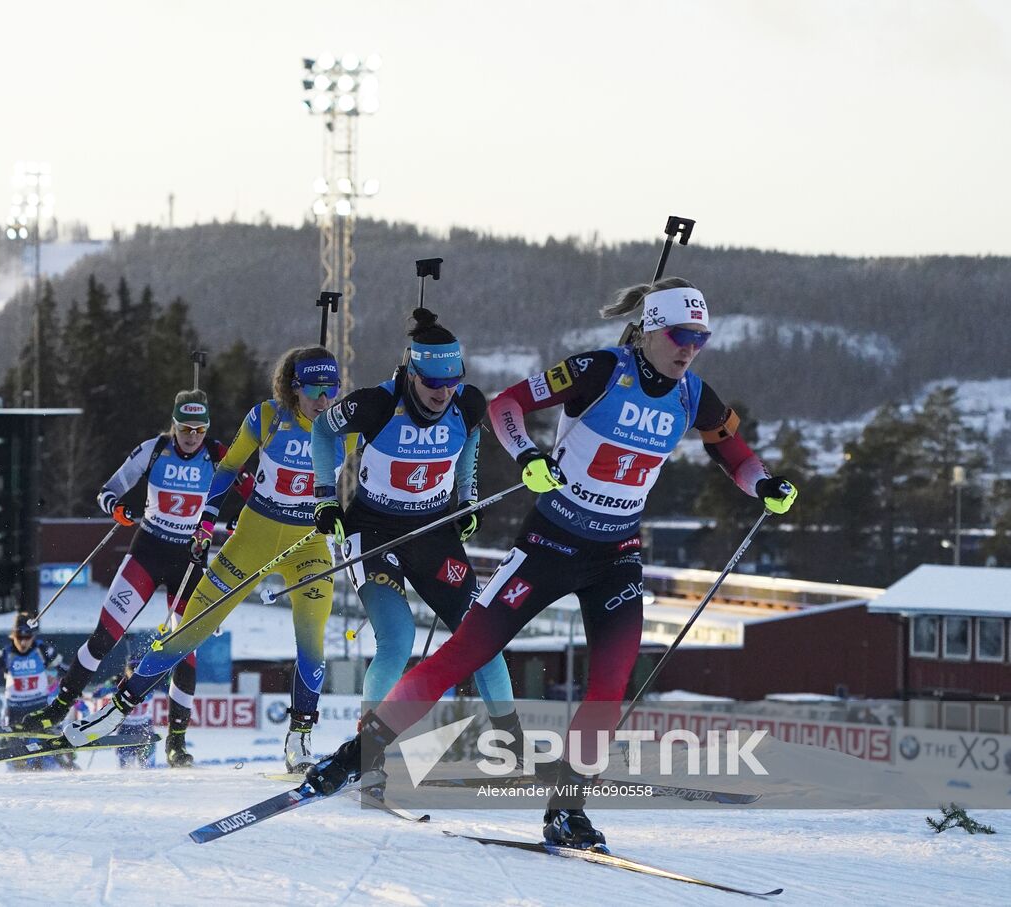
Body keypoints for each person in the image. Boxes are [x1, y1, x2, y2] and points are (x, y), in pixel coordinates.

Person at [306, 278, 799, 849]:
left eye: (700, 338)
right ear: (650, 329)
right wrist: (528, 457)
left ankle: (568, 809)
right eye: (679, 335)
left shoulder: (695, 395)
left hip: (616, 555)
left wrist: (764, 484)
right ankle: (357, 753)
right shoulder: (598, 369)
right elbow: (505, 404)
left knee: (610, 684)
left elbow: (731, 450)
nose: (690, 348)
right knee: (466, 649)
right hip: (551, 544)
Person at [59, 347, 356, 773]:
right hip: (253, 537)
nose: (324, 399)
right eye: (314, 389)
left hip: (308, 544)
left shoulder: (346, 427)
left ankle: (300, 737)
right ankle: (118, 709)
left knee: (312, 640)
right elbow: (228, 468)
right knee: (188, 632)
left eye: (332, 389)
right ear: (294, 388)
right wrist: (205, 522)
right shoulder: (267, 418)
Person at [311, 308, 520, 742]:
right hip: (372, 531)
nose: (444, 393)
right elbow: (321, 430)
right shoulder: (376, 403)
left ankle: (514, 744)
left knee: (481, 635)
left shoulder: (467, 402)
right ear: (411, 373)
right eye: (433, 382)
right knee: (397, 640)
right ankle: (368, 750)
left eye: (452, 381)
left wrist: (469, 498)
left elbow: (471, 439)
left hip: (433, 531)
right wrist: (325, 498)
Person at [18, 389, 228, 768]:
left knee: (185, 651)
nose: (192, 436)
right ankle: (58, 711)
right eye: (185, 428)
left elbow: (251, 493)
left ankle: (177, 741)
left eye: (199, 429)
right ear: (174, 424)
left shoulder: (217, 455)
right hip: (147, 551)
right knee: (104, 636)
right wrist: (118, 509)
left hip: (190, 561)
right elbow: (107, 492)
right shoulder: (153, 449)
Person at [0, 612, 65, 771]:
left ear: (33, 636)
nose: (23, 642)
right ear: (13, 635)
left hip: (40, 709)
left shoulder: (43, 650)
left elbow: (65, 669)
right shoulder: (5, 654)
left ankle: (62, 767)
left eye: (27, 637)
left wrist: (56, 675)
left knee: (48, 753)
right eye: (19, 637)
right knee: (16, 758)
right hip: (15, 712)